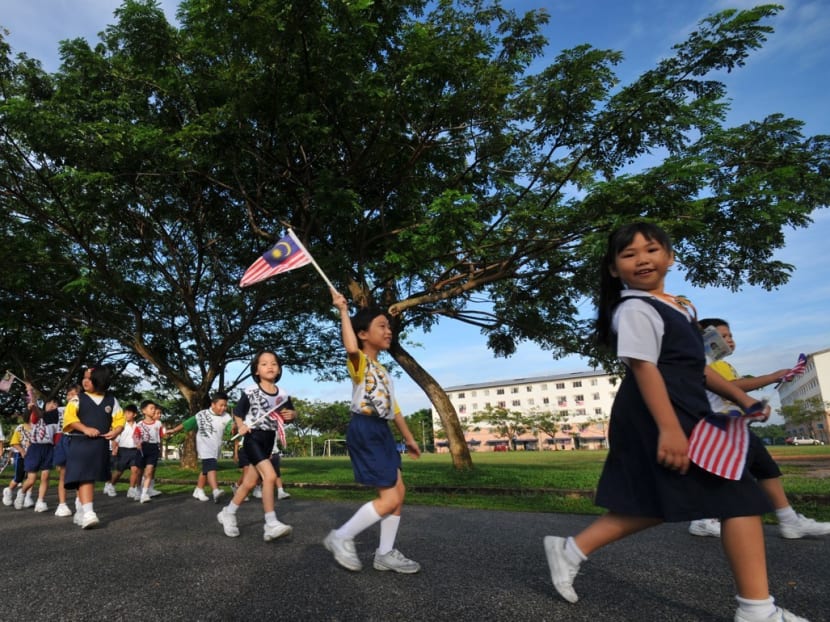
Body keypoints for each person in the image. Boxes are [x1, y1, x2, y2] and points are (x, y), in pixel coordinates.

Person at [542, 223, 808, 622]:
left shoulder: (680, 306)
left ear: (669, 255)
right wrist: (669, 429)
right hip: (656, 412)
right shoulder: (634, 309)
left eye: (650, 250)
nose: (641, 259)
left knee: (662, 500)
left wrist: (741, 396)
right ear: (614, 269)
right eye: (628, 255)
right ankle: (757, 611)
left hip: (686, 408)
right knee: (738, 497)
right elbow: (645, 369)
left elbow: (697, 367)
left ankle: (571, 549)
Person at [688, 318, 830, 540]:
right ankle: (705, 518)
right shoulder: (710, 363)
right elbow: (732, 388)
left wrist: (753, 406)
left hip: (733, 426)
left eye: (731, 336)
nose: (729, 341)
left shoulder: (720, 364)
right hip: (719, 429)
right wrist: (772, 376)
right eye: (723, 336)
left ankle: (788, 519)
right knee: (737, 475)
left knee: (766, 469)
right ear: (707, 339)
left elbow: (730, 395)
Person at [324, 291, 421, 574]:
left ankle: (385, 553)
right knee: (389, 498)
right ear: (363, 334)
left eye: (389, 327)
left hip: (382, 430)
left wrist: (409, 438)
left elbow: (396, 409)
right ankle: (341, 536)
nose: (388, 330)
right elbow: (351, 349)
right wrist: (343, 311)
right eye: (382, 325)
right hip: (365, 428)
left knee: (398, 492)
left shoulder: (383, 370)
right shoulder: (360, 363)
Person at [216, 351, 295, 541]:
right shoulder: (251, 391)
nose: (270, 366)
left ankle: (228, 512)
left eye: (274, 364)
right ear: (256, 370)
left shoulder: (283, 394)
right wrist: (241, 425)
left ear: (279, 370)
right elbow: (238, 411)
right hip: (252, 438)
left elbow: (289, 413)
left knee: (250, 483)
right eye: (264, 364)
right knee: (270, 475)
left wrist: (293, 415)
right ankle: (270, 523)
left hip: (269, 440)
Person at [63, 366, 125, 529]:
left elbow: (119, 420)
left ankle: (81, 510)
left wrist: (116, 431)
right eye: (84, 377)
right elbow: (69, 418)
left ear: (101, 380)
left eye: (89, 378)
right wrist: (85, 429)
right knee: (85, 477)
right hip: (80, 444)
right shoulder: (77, 399)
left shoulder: (112, 400)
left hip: (99, 445)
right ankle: (89, 513)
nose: (85, 381)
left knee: (87, 477)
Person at [166, 392, 232, 503]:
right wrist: (173, 430)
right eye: (221, 405)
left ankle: (198, 490)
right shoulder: (202, 414)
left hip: (216, 446)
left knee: (206, 470)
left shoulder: (226, 416)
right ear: (213, 404)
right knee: (211, 466)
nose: (223, 408)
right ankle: (215, 491)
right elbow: (187, 423)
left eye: (225, 405)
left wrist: (236, 428)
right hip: (204, 446)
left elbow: (231, 426)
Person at [18, 388, 59, 513]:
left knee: (45, 476)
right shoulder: (38, 415)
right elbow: (36, 411)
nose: (53, 405)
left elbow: (57, 437)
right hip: (35, 448)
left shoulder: (57, 418)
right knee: (32, 478)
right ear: (45, 405)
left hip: (48, 448)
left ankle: (40, 501)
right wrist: (31, 395)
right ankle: (22, 493)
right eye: (50, 403)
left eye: (55, 404)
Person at [52, 384, 81, 517]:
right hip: (64, 440)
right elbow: (40, 414)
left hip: (79, 440)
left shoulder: (84, 407)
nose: (70, 397)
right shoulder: (61, 410)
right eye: (68, 395)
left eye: (73, 394)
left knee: (79, 474)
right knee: (63, 474)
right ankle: (62, 504)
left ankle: (80, 501)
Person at [104, 404, 142, 500]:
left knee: (135, 470)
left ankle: (131, 489)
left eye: (129, 413)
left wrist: (139, 445)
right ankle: (111, 485)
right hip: (123, 450)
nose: (126, 415)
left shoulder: (138, 426)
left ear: (134, 415)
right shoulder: (121, 426)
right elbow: (115, 439)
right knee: (119, 471)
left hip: (134, 450)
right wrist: (114, 449)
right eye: (125, 413)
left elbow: (138, 439)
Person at [3, 415, 32, 508]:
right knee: (19, 478)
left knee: (31, 477)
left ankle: (28, 497)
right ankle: (8, 491)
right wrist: (22, 451)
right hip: (20, 456)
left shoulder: (38, 427)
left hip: (33, 456)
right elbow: (14, 442)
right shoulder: (20, 428)